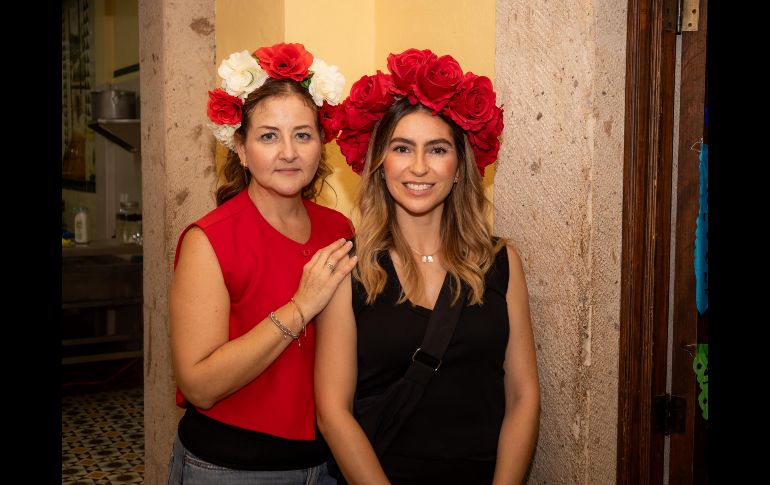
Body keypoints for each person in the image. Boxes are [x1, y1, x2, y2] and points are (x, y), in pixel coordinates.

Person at [315, 48, 541, 484]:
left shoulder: (501, 262)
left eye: (437, 149)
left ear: (459, 167)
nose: (419, 167)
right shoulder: (350, 268)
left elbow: (523, 396)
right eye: (402, 148)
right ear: (381, 165)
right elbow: (333, 412)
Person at [167, 42, 354, 484]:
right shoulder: (209, 240)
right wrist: (300, 306)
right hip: (230, 467)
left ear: (320, 144)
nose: (288, 152)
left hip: (327, 462)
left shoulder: (339, 229)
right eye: (269, 135)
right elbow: (199, 385)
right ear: (242, 148)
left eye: (302, 135)